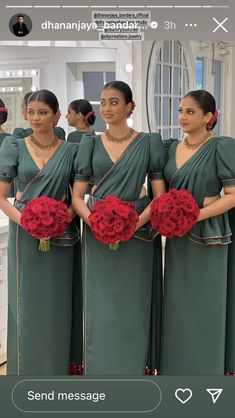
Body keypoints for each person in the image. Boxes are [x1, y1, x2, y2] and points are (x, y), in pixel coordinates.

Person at [72, 80, 165, 375]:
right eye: (103, 102)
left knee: (132, 303)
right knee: (100, 303)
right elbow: (77, 196)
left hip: (138, 230)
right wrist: (95, 222)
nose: (107, 108)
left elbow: (159, 197)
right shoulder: (89, 143)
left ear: (130, 106)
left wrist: (133, 224)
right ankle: (100, 372)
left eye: (114, 102)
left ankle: (135, 371)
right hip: (97, 232)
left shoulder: (149, 142)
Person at [0, 89, 81, 375]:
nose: (36, 118)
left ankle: (60, 371)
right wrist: (29, 223)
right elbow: (1, 197)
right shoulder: (14, 145)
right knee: (26, 304)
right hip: (24, 236)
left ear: (57, 116)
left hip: (63, 235)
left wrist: (60, 220)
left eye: (43, 112)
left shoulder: (72, 150)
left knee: (58, 303)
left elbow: (78, 197)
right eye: (31, 112)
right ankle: (25, 373)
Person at [161, 90, 235, 375]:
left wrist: (194, 215)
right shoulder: (171, 148)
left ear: (208, 117)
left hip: (208, 235)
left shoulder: (221, 147)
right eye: (181, 110)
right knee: (179, 305)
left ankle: (207, 371)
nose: (182, 116)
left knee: (205, 305)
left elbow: (231, 194)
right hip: (178, 238)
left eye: (190, 112)